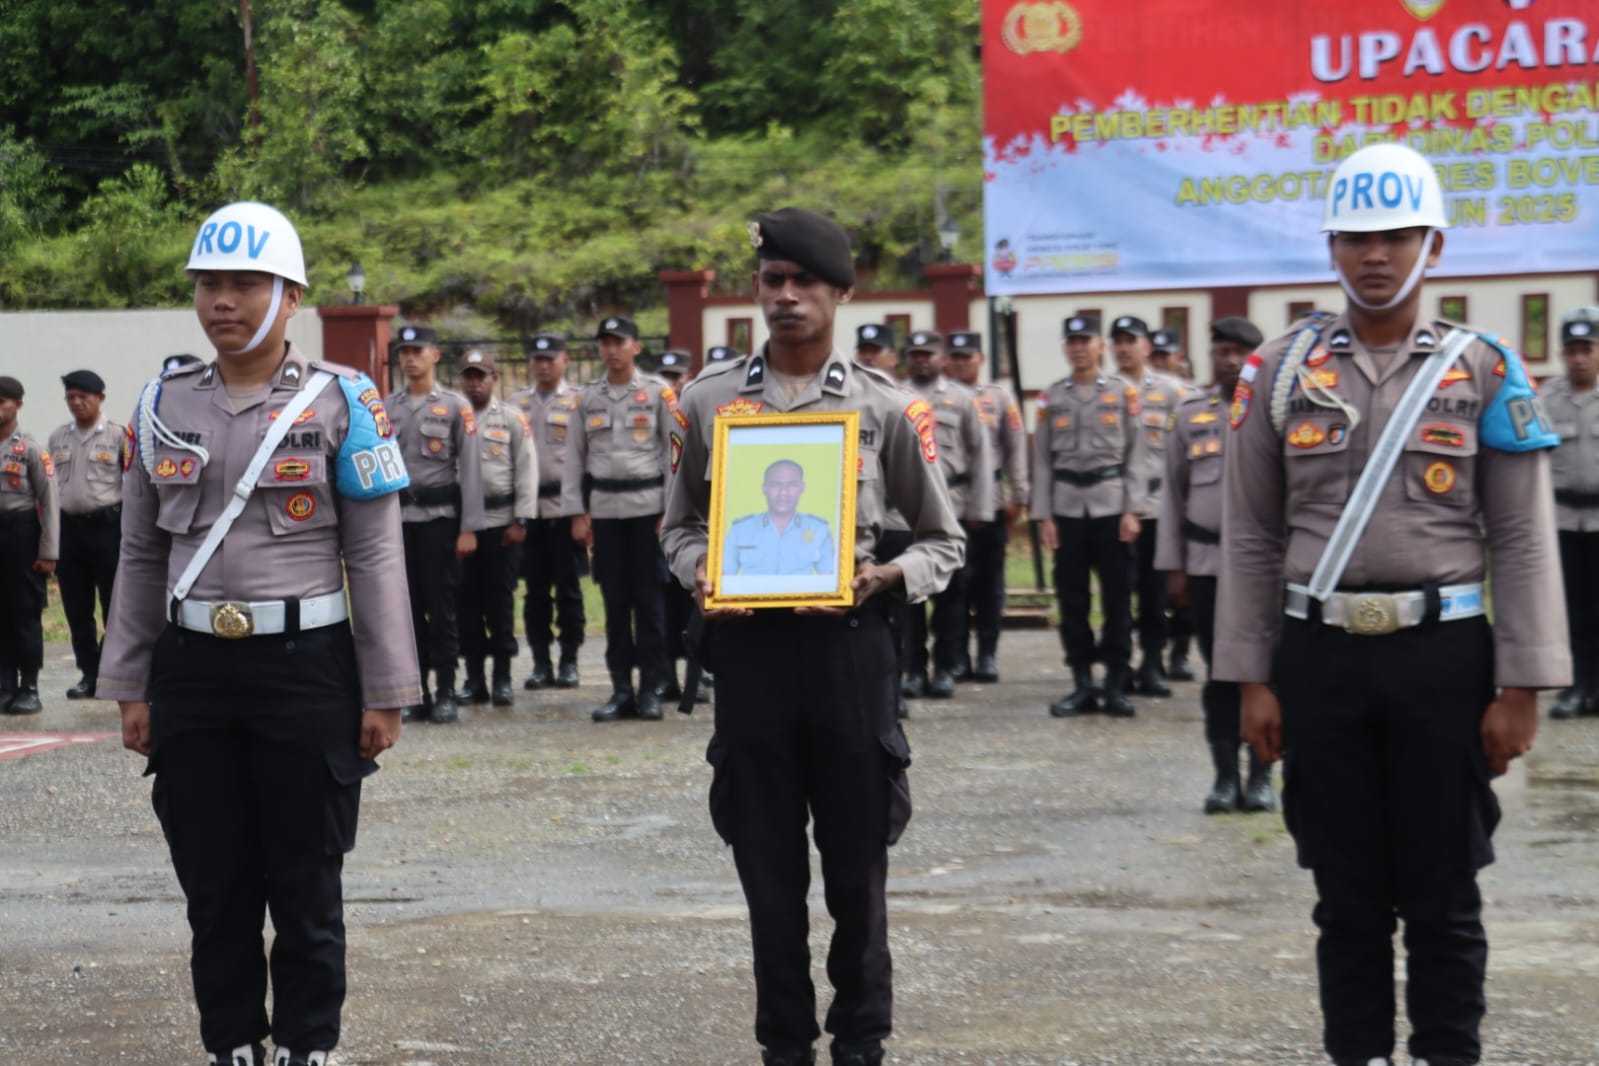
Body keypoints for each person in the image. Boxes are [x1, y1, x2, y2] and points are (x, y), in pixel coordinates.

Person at [1215, 143, 1568, 1066]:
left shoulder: (1483, 369)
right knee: (1345, 895)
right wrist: (1249, 678)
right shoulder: (1279, 372)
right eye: (1355, 237)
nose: (1375, 255)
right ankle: (1359, 1055)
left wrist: (1522, 685)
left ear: (1433, 246)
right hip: (1318, 657)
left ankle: (1447, 1054)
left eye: (1397, 236)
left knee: (1445, 892)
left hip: (1442, 659)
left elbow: (1522, 537)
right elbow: (1249, 534)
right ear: (1330, 247)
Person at [99, 200, 418, 1066]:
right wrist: (128, 684)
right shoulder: (159, 404)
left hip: (305, 666)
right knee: (214, 882)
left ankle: (309, 1044)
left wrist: (387, 690)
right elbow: (139, 552)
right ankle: (231, 1041)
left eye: (245, 284)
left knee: (306, 878)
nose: (222, 301)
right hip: (192, 668)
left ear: (291, 296)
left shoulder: (344, 400)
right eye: (209, 284)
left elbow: (375, 553)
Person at [660, 206, 963, 1066]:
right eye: (773, 280)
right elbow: (677, 526)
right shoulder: (707, 401)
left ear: (842, 294)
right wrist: (699, 571)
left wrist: (886, 576)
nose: (786, 296)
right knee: (766, 869)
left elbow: (943, 541)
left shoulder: (886, 407)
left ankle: (861, 1040)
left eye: (804, 282)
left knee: (857, 867)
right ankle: (783, 1043)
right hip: (749, 655)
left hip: (848, 655)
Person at [1153, 317, 1268, 813]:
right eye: (1223, 351)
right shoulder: (1189, 413)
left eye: (1242, 352)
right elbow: (1172, 494)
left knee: (1263, 670)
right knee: (1219, 671)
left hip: (1263, 567)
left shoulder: (1276, 410)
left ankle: (1261, 775)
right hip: (1205, 562)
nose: (1232, 361)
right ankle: (1224, 776)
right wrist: (1174, 566)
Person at [560, 314, 677, 722]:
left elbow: (674, 454)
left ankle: (650, 689)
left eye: (619, 342)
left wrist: (670, 511)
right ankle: (621, 689)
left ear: (636, 347)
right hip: (606, 512)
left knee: (649, 603)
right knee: (614, 603)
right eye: (605, 343)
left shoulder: (658, 393)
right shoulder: (586, 398)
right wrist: (577, 512)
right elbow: (574, 458)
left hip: (648, 511)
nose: (611, 350)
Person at [1031, 314, 1149, 718]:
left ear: (1100, 346)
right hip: (1067, 509)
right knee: (1072, 598)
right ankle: (1082, 681)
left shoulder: (1123, 393)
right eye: (1072, 341)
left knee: (1117, 597)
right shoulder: (1051, 397)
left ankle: (1115, 681)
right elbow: (1042, 461)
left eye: (1086, 341)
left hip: (1111, 507)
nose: (1079, 348)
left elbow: (1137, 453)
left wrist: (1133, 509)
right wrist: (1044, 515)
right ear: (1066, 348)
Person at [387, 324, 485, 724]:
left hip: (440, 521)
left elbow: (472, 470)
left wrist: (469, 527)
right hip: (398, 522)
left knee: (441, 607)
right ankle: (416, 692)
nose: (410, 358)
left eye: (418, 351)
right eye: (404, 351)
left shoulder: (456, 406)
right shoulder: (386, 408)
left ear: (435, 355)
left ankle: (445, 689)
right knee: (405, 610)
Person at [899, 330, 992, 698]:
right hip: (905, 510)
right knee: (908, 594)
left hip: (952, 505)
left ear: (941, 358)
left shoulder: (963, 399)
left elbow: (981, 456)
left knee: (951, 594)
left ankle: (945, 668)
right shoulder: (893, 396)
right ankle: (914, 669)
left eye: (928, 354)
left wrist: (980, 509)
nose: (922, 360)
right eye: (915, 354)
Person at [1110, 315, 1191, 698]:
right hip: (1116, 506)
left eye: (1132, 341)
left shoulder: (1173, 391)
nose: (1125, 348)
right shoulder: (1104, 390)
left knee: (1154, 591)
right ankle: (1119, 664)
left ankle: (1154, 662)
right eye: (1119, 341)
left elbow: (1186, 450)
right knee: (1117, 591)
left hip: (1159, 507)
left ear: (1146, 346)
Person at [943, 330, 1029, 683]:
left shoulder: (999, 397)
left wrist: (1019, 494)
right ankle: (957, 657)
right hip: (950, 503)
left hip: (991, 500)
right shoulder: (940, 397)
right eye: (955, 357)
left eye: (968, 357)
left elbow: (1015, 446)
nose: (961, 363)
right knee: (955, 584)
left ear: (981, 358)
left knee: (990, 583)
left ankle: (988, 654)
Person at [455, 349, 536, 707]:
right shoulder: (453, 417)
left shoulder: (512, 418)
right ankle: (474, 680)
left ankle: (502, 678)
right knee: (466, 603)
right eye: (469, 376)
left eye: (481, 376)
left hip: (501, 524)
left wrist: (522, 519)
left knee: (499, 603)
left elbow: (527, 469)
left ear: (494, 379)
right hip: (462, 527)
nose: (474, 383)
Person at [511, 332, 587, 689]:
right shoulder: (516, 403)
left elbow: (587, 456)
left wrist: (583, 511)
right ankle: (541, 662)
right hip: (529, 511)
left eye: (550, 359)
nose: (543, 365)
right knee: (535, 592)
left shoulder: (578, 401)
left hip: (564, 508)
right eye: (537, 359)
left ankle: (570, 660)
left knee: (568, 590)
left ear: (564, 360)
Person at [48, 369, 124, 700]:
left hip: (107, 530)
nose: (77, 402)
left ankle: (111, 669)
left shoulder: (119, 436)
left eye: (84, 397)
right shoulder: (58, 438)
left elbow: (133, 486)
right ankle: (89, 673)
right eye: (71, 397)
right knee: (76, 608)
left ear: (100, 398)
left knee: (114, 605)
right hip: (70, 531)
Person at [854, 323, 913, 719]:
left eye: (877, 350)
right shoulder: (847, 402)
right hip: (861, 524)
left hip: (897, 520)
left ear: (893, 358)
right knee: (862, 612)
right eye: (864, 350)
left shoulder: (905, 404)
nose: (869, 356)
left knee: (900, 614)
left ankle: (898, 685)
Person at [1543, 307, 1599, 719]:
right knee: (1570, 609)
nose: (1578, 358)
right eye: (1572, 350)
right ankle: (1576, 686)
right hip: (1561, 521)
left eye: (1587, 349)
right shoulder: (1546, 399)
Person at [0, 376, 58, 716]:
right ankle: (5, 683)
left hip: (21, 534)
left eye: (2, 402)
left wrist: (48, 552)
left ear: (18, 404)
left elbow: (50, 501)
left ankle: (29, 686)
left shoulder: (31, 449)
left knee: (24, 612)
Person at [656, 348, 710, 703]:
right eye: (665, 376)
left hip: (698, 523)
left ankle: (698, 673)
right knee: (664, 601)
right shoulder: (659, 409)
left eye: (676, 377)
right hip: (663, 520)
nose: (671, 383)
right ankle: (666, 676)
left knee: (697, 601)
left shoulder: (698, 410)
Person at [1151, 328, 1197, 680]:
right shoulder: (1137, 395)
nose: (1159, 362)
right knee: (1151, 586)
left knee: (1183, 582)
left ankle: (1180, 651)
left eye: (1165, 356)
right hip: (1149, 502)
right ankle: (1153, 652)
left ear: (1178, 359)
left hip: (1183, 499)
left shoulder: (1191, 399)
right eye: (1155, 356)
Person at [723, 459, 836, 575]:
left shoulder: (818, 530)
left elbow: (831, 577)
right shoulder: (740, 531)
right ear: (764, 489)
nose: (783, 492)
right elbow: (724, 576)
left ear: (802, 488)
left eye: (791, 484)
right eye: (776, 485)